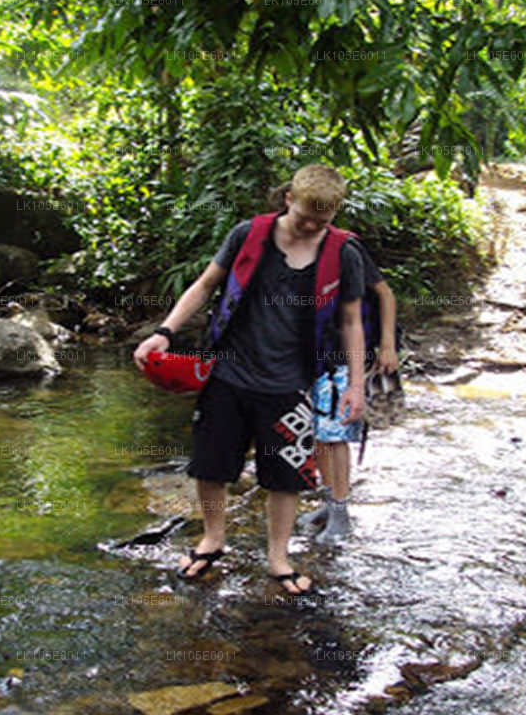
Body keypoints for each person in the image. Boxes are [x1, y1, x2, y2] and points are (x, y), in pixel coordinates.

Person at [133, 164, 367, 594]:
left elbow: (352, 320)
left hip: (291, 382)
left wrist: (355, 385)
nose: (313, 227)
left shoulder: (343, 253)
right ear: (288, 200)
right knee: (211, 463)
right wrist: (164, 332)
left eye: (324, 221)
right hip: (227, 372)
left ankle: (278, 557)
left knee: (286, 474)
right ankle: (213, 538)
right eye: (305, 218)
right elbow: (205, 285)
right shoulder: (248, 234)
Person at [300, 237, 398, 544]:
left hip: (346, 357)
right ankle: (330, 503)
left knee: (336, 433)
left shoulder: (345, 249)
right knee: (318, 433)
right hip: (312, 356)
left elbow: (385, 294)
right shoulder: (286, 247)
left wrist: (388, 344)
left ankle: (341, 513)